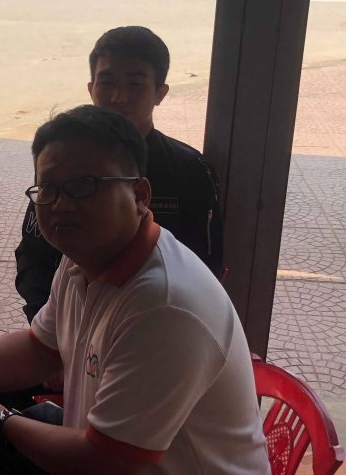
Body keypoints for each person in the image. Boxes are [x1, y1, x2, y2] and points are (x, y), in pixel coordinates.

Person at [0, 106, 276, 475]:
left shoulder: (165, 306)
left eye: (85, 185)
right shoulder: (81, 259)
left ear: (140, 194)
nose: (61, 204)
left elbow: (108, 468)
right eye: (49, 189)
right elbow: (38, 351)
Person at [15, 26, 223, 321]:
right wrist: (49, 323)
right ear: (91, 89)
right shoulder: (63, 162)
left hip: (153, 319)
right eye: (107, 82)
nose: (118, 97)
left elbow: (204, 265)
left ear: (160, 93)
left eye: (135, 84)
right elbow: (34, 256)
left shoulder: (190, 172)